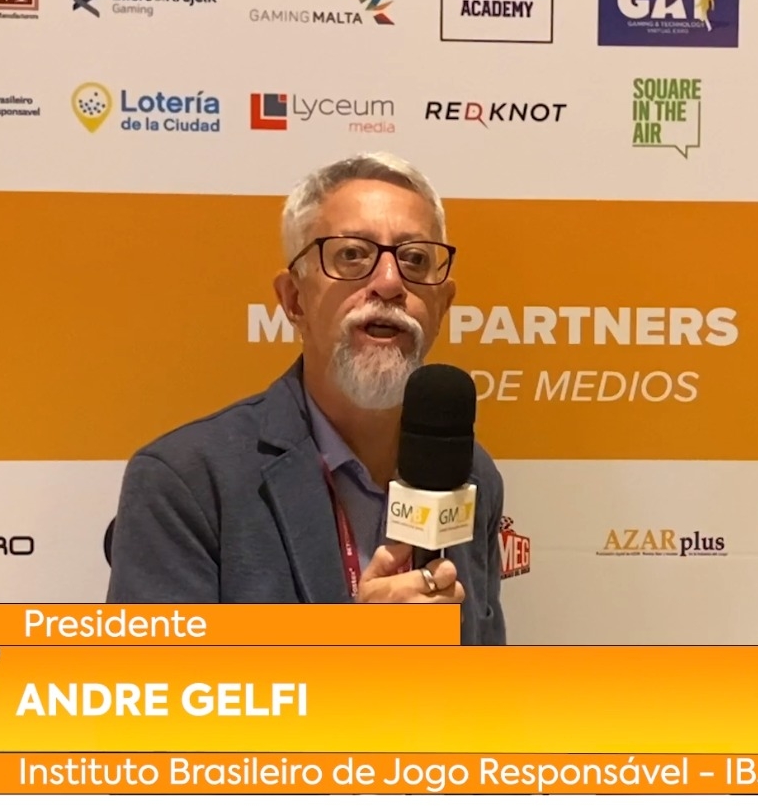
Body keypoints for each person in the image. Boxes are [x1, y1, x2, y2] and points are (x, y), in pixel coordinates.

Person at [106, 152, 507, 645]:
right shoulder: (186, 481)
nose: (389, 283)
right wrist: (351, 654)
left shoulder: (472, 475)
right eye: (352, 255)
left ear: (442, 305)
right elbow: (158, 692)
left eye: (415, 260)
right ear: (294, 300)